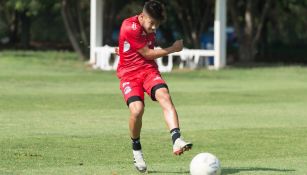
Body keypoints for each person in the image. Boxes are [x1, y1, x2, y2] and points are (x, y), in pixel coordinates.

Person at [116, 0, 192, 173]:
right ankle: (137, 150)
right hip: (129, 75)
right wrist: (173, 48)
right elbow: (148, 53)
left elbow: (139, 49)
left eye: (157, 25)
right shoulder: (130, 26)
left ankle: (177, 139)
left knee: (164, 95)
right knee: (137, 110)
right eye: (151, 23)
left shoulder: (148, 25)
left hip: (148, 71)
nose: (154, 28)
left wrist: (123, 48)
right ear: (142, 16)